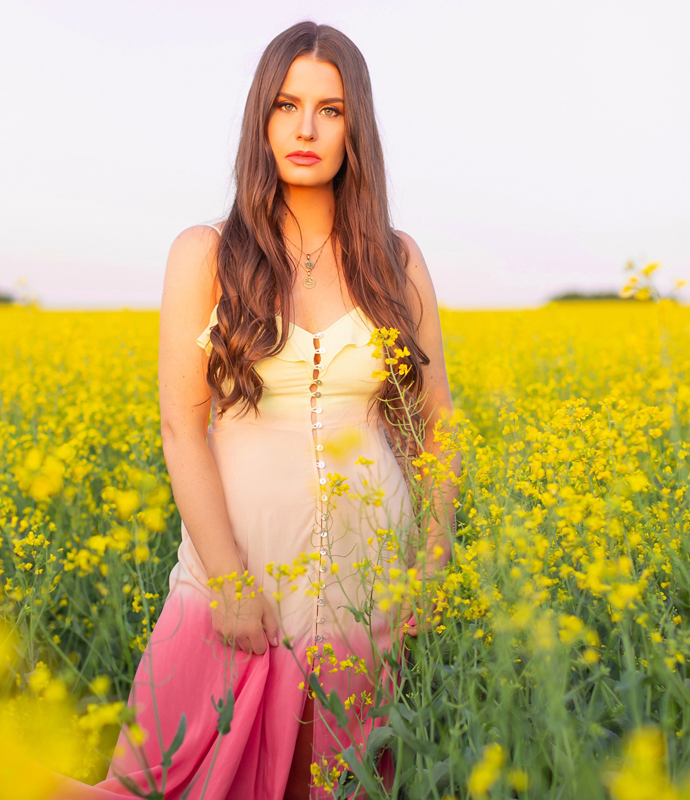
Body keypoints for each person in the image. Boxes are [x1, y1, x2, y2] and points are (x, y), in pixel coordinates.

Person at [48, 19, 458, 800]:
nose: (305, 128)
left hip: (364, 595)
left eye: (330, 109)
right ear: (259, 119)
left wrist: (429, 571)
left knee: (329, 789)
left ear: (354, 126)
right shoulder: (205, 252)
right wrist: (230, 581)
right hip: (233, 584)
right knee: (148, 789)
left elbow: (435, 426)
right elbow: (181, 425)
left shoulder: (397, 261)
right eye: (285, 105)